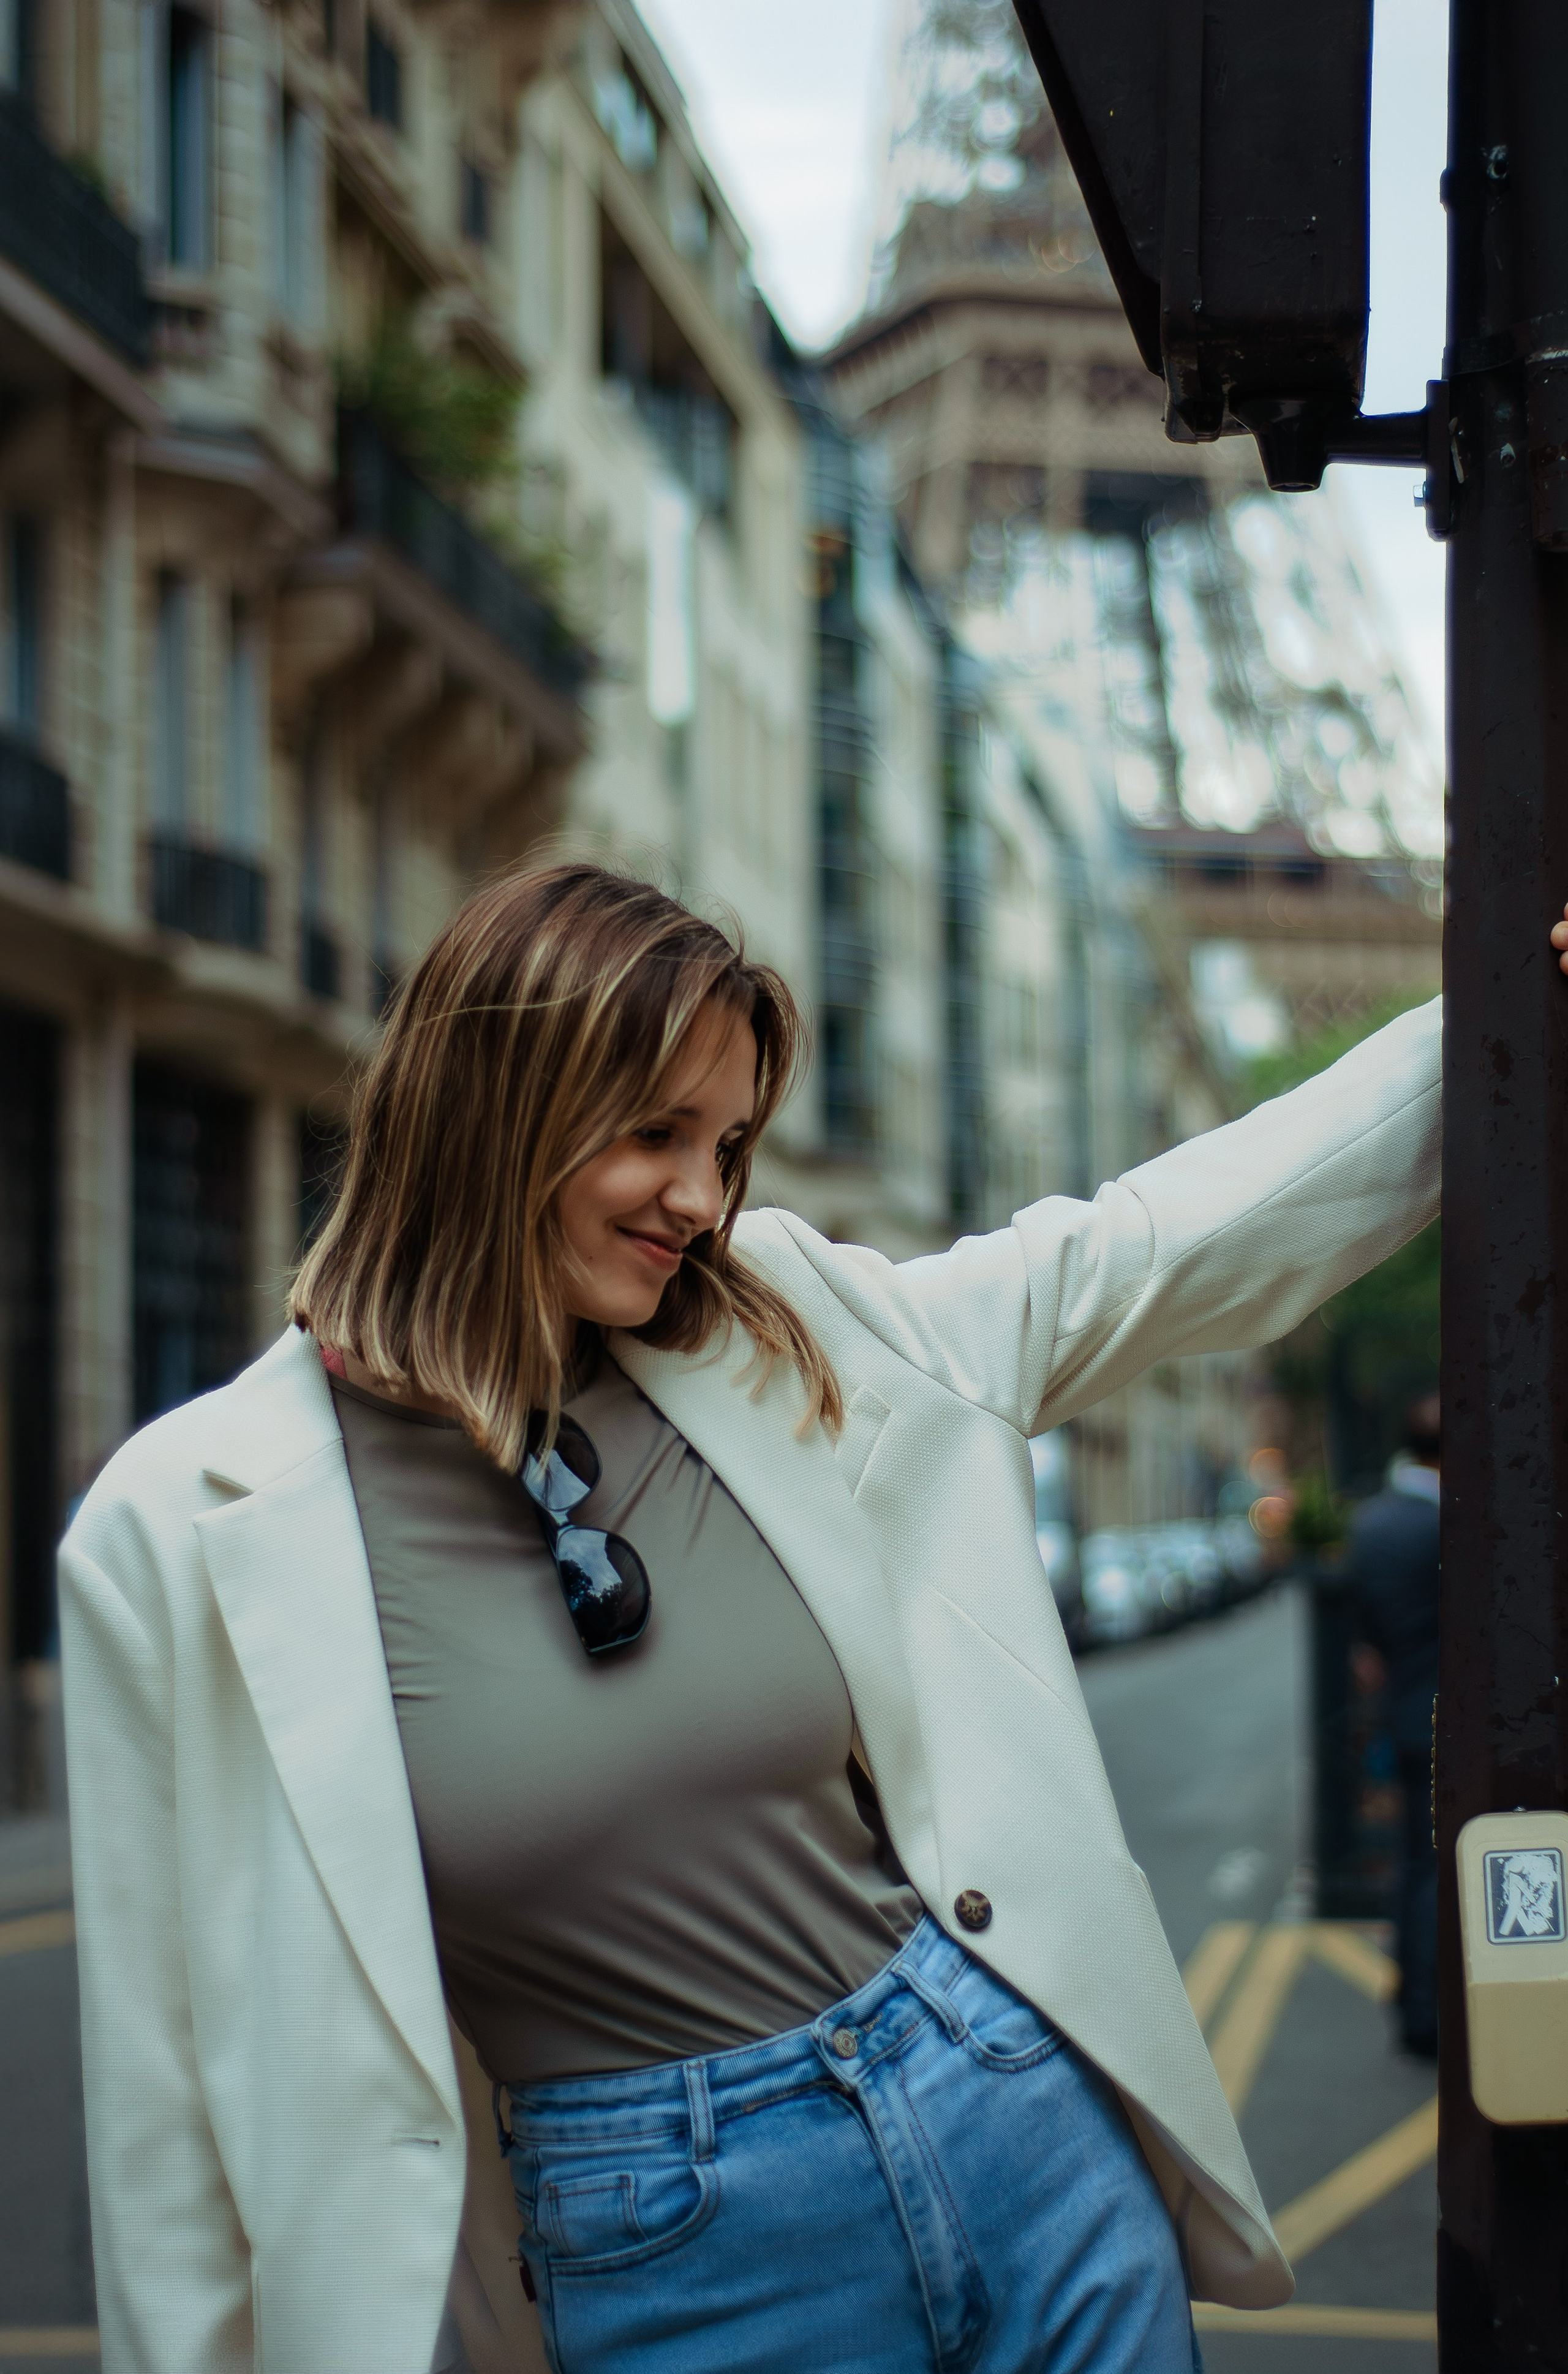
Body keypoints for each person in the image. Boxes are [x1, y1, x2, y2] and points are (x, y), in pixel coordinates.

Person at [60, 864, 1444, 2374]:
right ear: (491, 1097)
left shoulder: (784, 1323)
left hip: (1011, 2120)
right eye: (653, 1132)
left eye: (723, 1144)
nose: (704, 1197)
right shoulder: (182, 1526)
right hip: (671, 2243)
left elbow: (1147, 1246)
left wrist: (1503, 1006)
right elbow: (167, 2109)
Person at [1345, 1394, 1441, 2058]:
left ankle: (1411, 2000)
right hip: (1452, 1723)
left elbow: (1367, 1643)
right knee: (1439, 1871)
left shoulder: (1372, 1523)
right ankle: (1430, 2014)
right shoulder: (1453, 1523)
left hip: (1404, 1714)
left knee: (1413, 1864)